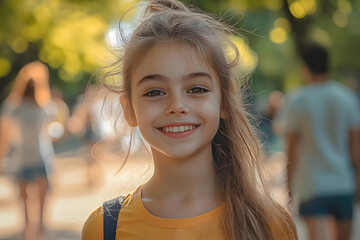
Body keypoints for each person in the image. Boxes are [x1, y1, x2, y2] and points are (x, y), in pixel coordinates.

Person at [82, 0, 297, 239]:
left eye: (196, 89)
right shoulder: (103, 229)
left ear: (226, 100)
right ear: (129, 109)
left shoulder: (269, 224)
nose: (177, 106)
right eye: (155, 92)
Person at [281, 42, 360, 240]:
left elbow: (291, 152)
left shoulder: (297, 101)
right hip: (343, 184)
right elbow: (356, 150)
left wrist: (289, 189)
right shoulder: (347, 98)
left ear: (304, 66)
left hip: (312, 187)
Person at [0, 61, 55, 240]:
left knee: (24, 201)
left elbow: (5, 136)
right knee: (42, 197)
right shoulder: (44, 106)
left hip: (22, 157)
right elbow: (52, 129)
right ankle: (39, 231)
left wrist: (2, 158)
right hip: (41, 155)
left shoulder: (13, 107)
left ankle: (29, 232)